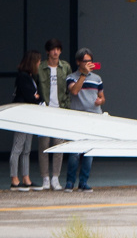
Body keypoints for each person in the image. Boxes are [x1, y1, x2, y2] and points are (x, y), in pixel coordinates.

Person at [64, 48, 105, 193]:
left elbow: (102, 96)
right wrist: (83, 75)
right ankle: (69, 182)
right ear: (78, 62)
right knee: (75, 151)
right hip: (78, 117)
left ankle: (83, 182)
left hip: (94, 116)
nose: (88, 64)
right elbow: (74, 91)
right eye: (85, 61)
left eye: (90, 61)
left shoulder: (97, 78)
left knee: (89, 152)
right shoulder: (72, 77)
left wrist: (100, 100)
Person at [36, 38, 72, 190]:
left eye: (58, 49)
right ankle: (45, 178)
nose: (56, 52)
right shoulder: (40, 67)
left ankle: (55, 178)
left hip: (60, 111)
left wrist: (66, 105)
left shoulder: (65, 67)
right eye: (53, 49)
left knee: (59, 145)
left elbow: (69, 88)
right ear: (48, 51)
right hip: (44, 111)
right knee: (44, 145)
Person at [10, 50, 42, 191]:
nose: (39, 63)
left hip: (29, 115)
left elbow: (36, 96)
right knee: (18, 146)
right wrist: (36, 97)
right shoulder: (23, 76)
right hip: (22, 115)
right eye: (38, 61)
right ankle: (14, 178)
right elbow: (31, 96)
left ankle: (26, 177)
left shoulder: (30, 77)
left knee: (27, 148)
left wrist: (37, 97)